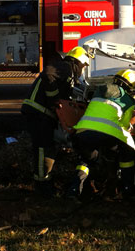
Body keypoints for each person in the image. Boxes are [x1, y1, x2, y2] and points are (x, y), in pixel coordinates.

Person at [21, 46, 91, 196]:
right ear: (78, 62)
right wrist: (54, 98)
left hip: (42, 114)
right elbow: (48, 74)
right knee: (42, 149)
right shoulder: (65, 67)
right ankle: (42, 187)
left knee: (48, 147)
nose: (82, 70)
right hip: (38, 112)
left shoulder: (67, 73)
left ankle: (46, 183)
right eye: (83, 66)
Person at [67, 69, 135, 200]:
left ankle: (73, 190)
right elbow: (124, 125)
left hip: (82, 132)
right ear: (129, 87)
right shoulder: (128, 100)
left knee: (86, 161)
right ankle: (127, 190)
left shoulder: (98, 91)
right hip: (108, 134)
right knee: (127, 154)